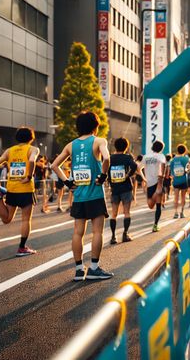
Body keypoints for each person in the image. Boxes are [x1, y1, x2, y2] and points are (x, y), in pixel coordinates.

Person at [51, 112, 113, 281]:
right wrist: (103, 174)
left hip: (78, 196)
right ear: (96, 126)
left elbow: (54, 165)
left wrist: (67, 182)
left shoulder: (71, 145)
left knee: (78, 233)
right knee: (97, 232)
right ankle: (94, 268)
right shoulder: (99, 141)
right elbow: (107, 157)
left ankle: (79, 270)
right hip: (95, 194)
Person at [0, 127, 39, 256]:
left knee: (7, 219)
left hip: (12, 188)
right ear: (31, 138)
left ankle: (0, 197)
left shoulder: (9, 151)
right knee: (25, 220)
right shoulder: (33, 149)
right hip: (26, 189)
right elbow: (32, 160)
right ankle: (22, 248)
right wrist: (29, 176)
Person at [109, 137, 139, 244]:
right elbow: (135, 166)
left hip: (114, 188)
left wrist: (110, 181)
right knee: (126, 212)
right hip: (126, 187)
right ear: (126, 147)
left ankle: (113, 237)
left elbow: (105, 169)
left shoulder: (110, 157)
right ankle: (125, 234)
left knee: (114, 213)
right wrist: (128, 175)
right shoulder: (127, 157)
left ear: (115, 146)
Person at [140, 141, 166, 232]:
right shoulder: (161, 156)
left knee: (155, 205)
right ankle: (155, 225)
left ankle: (155, 225)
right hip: (157, 182)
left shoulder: (146, 157)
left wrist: (144, 178)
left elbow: (139, 168)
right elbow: (162, 170)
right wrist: (160, 184)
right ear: (161, 149)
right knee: (152, 206)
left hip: (150, 183)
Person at [170, 144, 190, 218]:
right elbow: (187, 170)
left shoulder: (173, 160)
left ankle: (175, 213)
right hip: (184, 180)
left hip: (176, 181)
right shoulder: (185, 159)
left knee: (176, 197)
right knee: (183, 197)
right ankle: (182, 212)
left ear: (177, 151)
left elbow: (171, 172)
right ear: (184, 151)